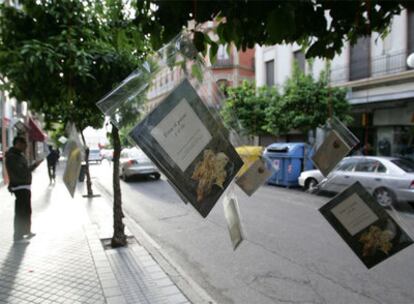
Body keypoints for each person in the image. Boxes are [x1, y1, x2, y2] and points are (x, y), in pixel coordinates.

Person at [5, 136, 41, 242]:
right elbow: (21, 171)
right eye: (23, 144)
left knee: (26, 211)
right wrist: (34, 165)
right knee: (21, 211)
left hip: (24, 186)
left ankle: (26, 231)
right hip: (19, 186)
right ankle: (18, 235)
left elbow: (23, 170)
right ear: (17, 144)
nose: (25, 147)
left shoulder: (18, 155)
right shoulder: (12, 156)